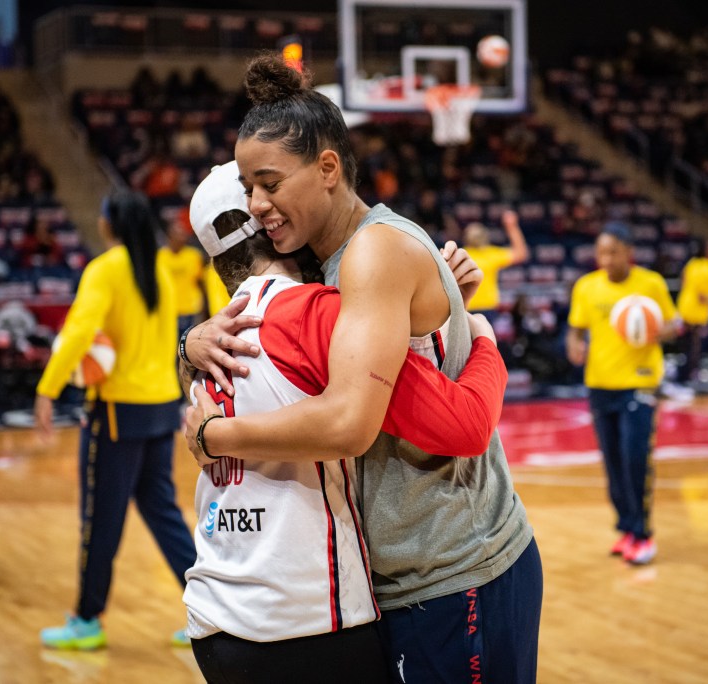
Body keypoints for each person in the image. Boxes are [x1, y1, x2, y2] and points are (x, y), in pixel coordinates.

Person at [181, 55, 541, 683]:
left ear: (327, 169)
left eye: (270, 183)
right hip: (402, 576)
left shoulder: (373, 252)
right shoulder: (323, 268)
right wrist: (192, 342)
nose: (258, 204)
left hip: (457, 565)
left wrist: (214, 437)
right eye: (248, 189)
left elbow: (351, 423)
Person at [34, 190, 196, 651]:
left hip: (116, 411)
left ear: (110, 224)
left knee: (101, 518)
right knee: (162, 512)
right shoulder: (163, 271)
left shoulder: (105, 269)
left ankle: (87, 618)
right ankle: (213, 611)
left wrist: (48, 389)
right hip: (162, 404)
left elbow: (79, 332)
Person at [566, 222, 679, 565]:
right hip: (600, 384)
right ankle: (627, 528)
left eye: (613, 251)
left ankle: (644, 536)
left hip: (640, 382)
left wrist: (657, 329)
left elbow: (674, 326)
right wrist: (574, 346)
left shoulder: (651, 284)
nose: (606, 258)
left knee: (635, 459)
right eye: (601, 252)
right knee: (613, 464)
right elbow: (576, 329)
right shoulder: (587, 287)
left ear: (630, 253)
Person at [463, 208, 530, 318]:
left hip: (486, 308)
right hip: (467, 309)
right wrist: (511, 226)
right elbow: (521, 253)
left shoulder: (490, 254)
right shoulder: (462, 254)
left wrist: (512, 227)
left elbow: (521, 254)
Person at [675, 237, 708, 384]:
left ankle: (682, 375)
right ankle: (688, 377)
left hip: (684, 307)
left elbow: (683, 282)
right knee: (695, 347)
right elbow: (705, 296)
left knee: (686, 345)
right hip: (697, 312)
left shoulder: (691, 264)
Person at [158, 208, 206, 334]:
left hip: (191, 308)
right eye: (178, 233)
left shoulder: (194, 256)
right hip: (169, 309)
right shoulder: (160, 257)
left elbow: (201, 283)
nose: (183, 237)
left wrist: (204, 309)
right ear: (170, 236)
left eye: (184, 233)